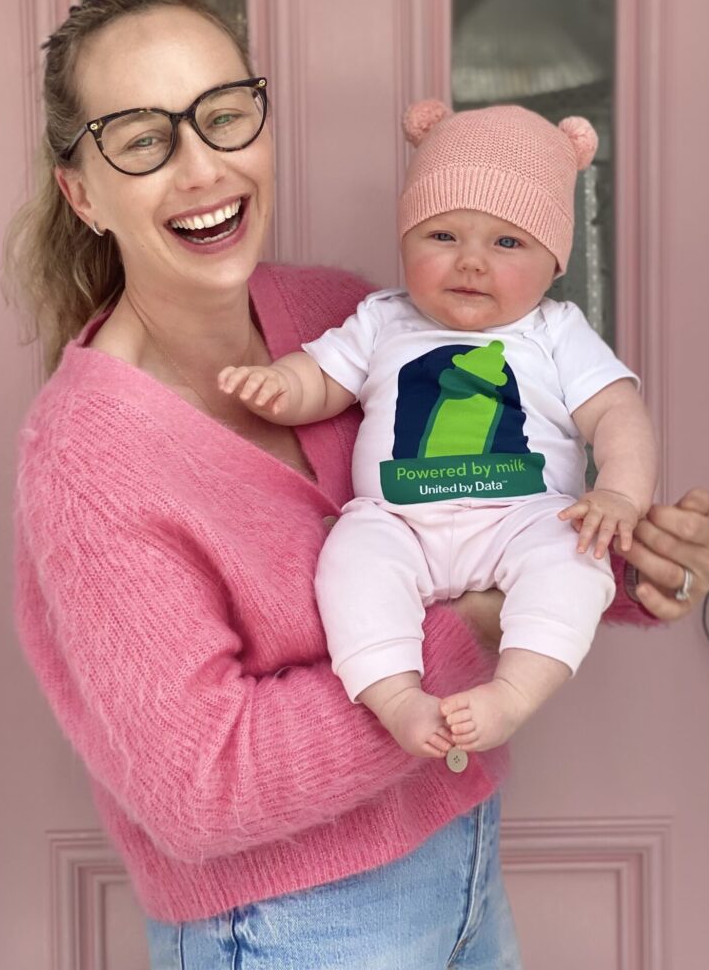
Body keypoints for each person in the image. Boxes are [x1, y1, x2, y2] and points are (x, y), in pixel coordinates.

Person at [5, 0, 709, 969]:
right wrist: (472, 636)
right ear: (82, 191)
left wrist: (646, 567)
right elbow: (202, 790)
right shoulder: (87, 457)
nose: (203, 166)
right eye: (141, 137)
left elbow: (492, 514)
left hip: (464, 857)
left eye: (223, 115)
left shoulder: (343, 315)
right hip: (290, 928)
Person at [218, 101, 658, 760]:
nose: (471, 263)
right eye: (442, 237)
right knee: (349, 560)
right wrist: (280, 385)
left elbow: (616, 413)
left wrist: (621, 496)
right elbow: (324, 379)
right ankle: (397, 699)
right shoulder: (382, 320)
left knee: (576, 563)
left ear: (553, 261)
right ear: (404, 242)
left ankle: (511, 695)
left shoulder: (554, 332)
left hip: (523, 518)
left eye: (507, 242)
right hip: (399, 521)